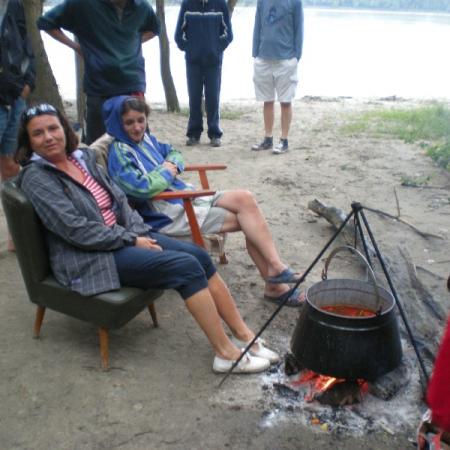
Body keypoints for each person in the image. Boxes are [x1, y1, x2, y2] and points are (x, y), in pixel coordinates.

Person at [14, 103, 280, 374]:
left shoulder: (81, 158)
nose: (48, 137)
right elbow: (75, 230)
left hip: (122, 237)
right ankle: (225, 353)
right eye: (38, 133)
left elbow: (119, 200)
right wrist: (131, 240)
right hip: (89, 255)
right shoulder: (37, 177)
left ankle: (244, 336)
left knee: (198, 255)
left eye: (53, 128)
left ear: (64, 129)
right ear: (29, 141)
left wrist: (139, 233)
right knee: (185, 268)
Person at [103, 95, 303, 307]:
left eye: (141, 120)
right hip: (167, 212)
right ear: (118, 124)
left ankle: (275, 267)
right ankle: (275, 284)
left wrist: (171, 165)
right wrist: (167, 171)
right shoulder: (120, 153)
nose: (137, 127)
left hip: (186, 195)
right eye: (129, 122)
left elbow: (175, 153)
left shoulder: (147, 141)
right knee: (248, 221)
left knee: (246, 199)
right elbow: (140, 188)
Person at [37, 0, 159, 145]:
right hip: (99, 85)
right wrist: (77, 47)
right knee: (97, 145)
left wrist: (131, 43)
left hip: (132, 82)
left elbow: (154, 29)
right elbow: (46, 23)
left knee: (138, 140)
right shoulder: (82, 5)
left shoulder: (141, 6)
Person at [0, 0, 35, 251]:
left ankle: (17, 236)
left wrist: (28, 82)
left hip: (15, 95)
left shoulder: (14, 4)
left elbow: (25, 43)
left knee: (11, 164)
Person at [174, 0, 233, 148]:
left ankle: (214, 133)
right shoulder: (187, 4)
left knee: (213, 97)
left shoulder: (220, 4)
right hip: (193, 62)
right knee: (194, 97)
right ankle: (194, 133)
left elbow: (228, 34)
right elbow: (178, 35)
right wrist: (189, 48)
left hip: (213, 62)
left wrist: (216, 48)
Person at [251, 0, 304, 155]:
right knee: (267, 99)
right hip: (263, 57)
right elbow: (257, 26)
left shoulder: (295, 2)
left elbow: (299, 29)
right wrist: (255, 53)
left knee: (285, 101)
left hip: (286, 59)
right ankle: (268, 138)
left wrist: (296, 56)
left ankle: (284, 140)